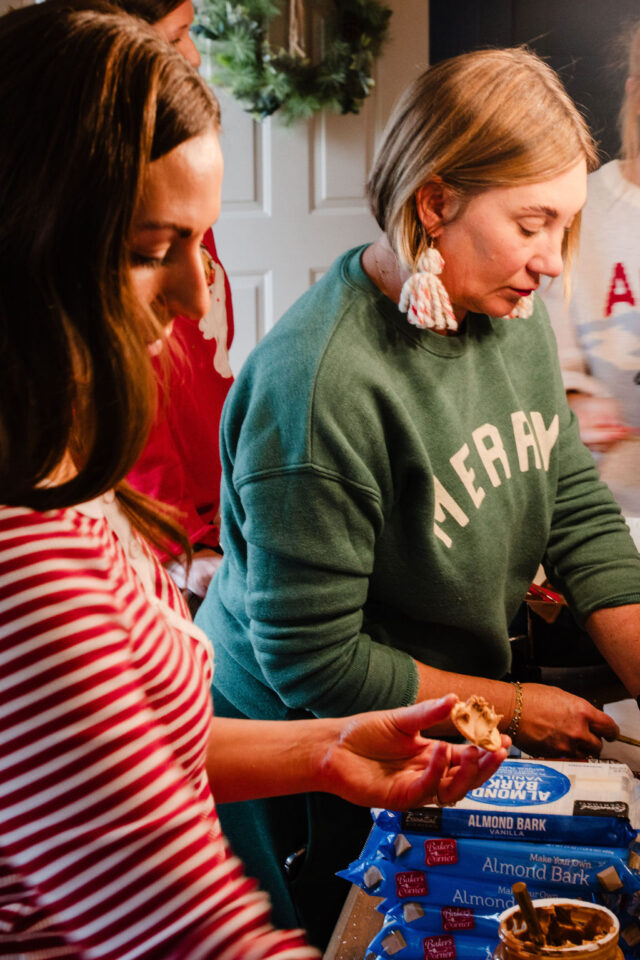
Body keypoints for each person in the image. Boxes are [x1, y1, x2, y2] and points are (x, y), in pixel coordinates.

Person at [0, 6, 510, 957]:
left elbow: (118, 749)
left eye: (203, 241)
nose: (199, 298)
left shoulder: (62, 490)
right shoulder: (27, 574)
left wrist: (332, 748)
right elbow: (208, 942)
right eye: (153, 251)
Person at [195, 46, 640, 946]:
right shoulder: (319, 385)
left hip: (438, 716)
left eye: (567, 226)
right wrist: (516, 705)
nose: (554, 262)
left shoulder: (501, 313)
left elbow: (573, 507)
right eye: (532, 223)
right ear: (433, 204)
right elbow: (313, 665)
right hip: (308, 759)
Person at [115, 0, 233, 604]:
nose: (192, 55)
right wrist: (180, 540)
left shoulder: (177, 195)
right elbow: (138, 394)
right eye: (178, 34)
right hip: (168, 537)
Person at [541, 22, 640, 517]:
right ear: (635, 92)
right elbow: (551, 359)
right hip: (611, 511)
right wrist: (579, 399)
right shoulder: (581, 209)